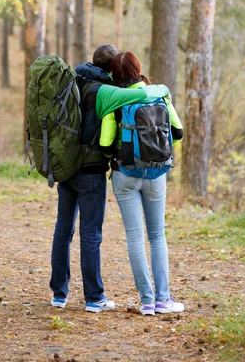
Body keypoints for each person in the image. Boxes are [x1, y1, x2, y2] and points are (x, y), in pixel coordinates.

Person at [49, 45, 171, 313]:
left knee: (63, 228)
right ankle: (94, 298)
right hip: (90, 171)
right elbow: (143, 93)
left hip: (65, 166)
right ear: (109, 70)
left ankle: (59, 294)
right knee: (90, 233)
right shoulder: (105, 92)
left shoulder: (70, 82)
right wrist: (163, 90)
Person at [100, 51, 184, 316]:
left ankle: (146, 301)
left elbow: (104, 145)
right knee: (157, 236)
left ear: (115, 74)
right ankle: (164, 299)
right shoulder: (158, 94)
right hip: (156, 175)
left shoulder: (114, 101)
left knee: (135, 238)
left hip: (125, 176)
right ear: (138, 70)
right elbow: (178, 132)